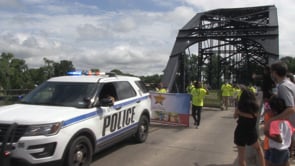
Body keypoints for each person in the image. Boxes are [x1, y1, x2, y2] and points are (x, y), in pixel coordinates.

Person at [265, 61, 295, 158]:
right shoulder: (290, 84)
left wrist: (272, 120)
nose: (271, 74)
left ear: (275, 73)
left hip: (290, 124)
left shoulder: (283, 86)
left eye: (271, 72)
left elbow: (291, 109)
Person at [233, 87, 265, 166]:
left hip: (240, 131)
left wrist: (239, 113)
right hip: (251, 132)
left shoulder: (240, 106)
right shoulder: (255, 106)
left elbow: (235, 116)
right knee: (258, 149)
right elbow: (254, 116)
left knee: (241, 157)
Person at [264, 95, 294, 166]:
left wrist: (267, 133)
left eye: (269, 109)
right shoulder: (287, 121)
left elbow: (279, 139)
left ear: (274, 111)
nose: (268, 111)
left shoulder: (274, 123)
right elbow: (291, 134)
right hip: (285, 149)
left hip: (277, 151)